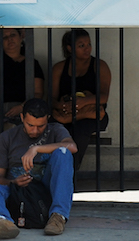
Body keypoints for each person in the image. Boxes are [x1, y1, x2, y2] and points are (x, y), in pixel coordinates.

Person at [0, 98, 77, 239]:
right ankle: (2, 220)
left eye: (41, 126)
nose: (35, 131)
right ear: (22, 117)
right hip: (17, 192)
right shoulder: (7, 137)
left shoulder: (55, 130)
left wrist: (36, 149)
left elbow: (72, 147)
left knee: (63, 153)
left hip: (45, 191)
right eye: (30, 125)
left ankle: (58, 217)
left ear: (48, 119)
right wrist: (13, 182)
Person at [0, 28, 45, 172]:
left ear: (22, 36)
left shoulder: (32, 63)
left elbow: (38, 93)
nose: (9, 39)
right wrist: (6, 22)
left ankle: (6, 174)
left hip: (19, 108)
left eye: (13, 35)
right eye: (4, 37)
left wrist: (22, 107)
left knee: (9, 131)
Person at [50, 29, 111, 171]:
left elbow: (104, 96)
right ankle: (50, 170)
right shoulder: (59, 68)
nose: (87, 48)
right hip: (65, 112)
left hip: (92, 114)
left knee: (79, 130)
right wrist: (63, 106)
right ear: (70, 48)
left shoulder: (99, 66)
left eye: (89, 44)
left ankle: (71, 171)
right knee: (55, 127)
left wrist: (83, 102)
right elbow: (51, 99)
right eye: (81, 45)